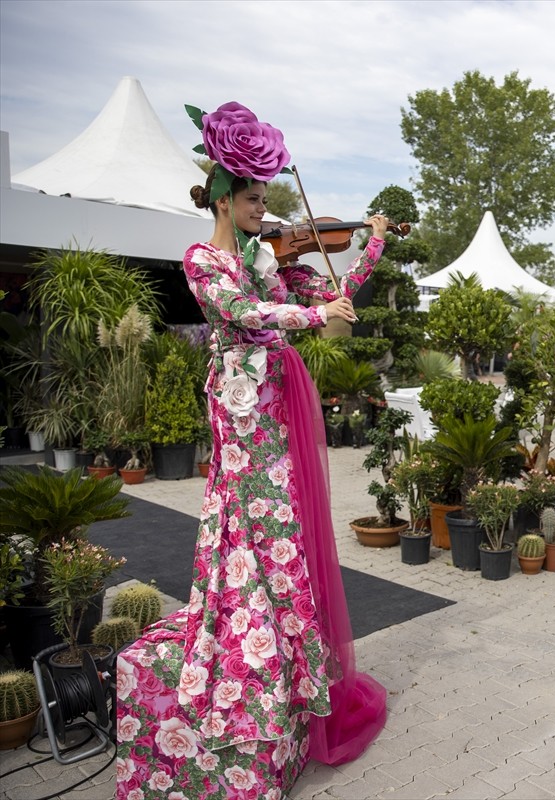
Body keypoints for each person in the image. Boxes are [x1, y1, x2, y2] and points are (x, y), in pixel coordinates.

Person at [115, 164, 391, 796]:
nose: (263, 213)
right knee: (245, 508)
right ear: (222, 200)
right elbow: (237, 312)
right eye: (253, 201)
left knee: (280, 521)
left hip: (272, 392)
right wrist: (307, 319)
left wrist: (372, 239)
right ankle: (238, 620)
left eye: (265, 202)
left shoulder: (268, 256)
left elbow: (332, 292)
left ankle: (278, 638)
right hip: (239, 399)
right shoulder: (202, 260)